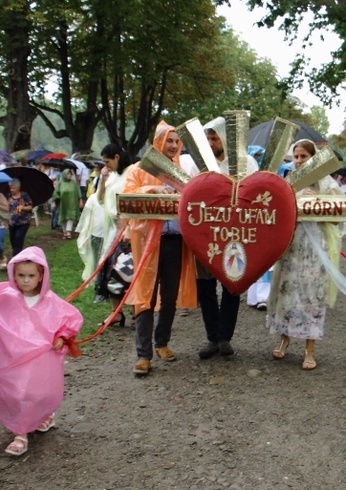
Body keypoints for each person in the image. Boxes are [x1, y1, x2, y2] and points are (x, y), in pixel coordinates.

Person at [0, 246, 83, 456]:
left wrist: (62, 335)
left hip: (39, 359)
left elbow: (71, 317)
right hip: (11, 356)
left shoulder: (49, 301)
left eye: (31, 276)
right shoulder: (6, 296)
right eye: (20, 275)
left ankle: (40, 418)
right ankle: (20, 431)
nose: (25, 280)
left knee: (37, 391)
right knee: (16, 391)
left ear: (41, 276)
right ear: (13, 274)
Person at [123, 121, 198, 376]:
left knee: (169, 296)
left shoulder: (182, 172)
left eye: (177, 141)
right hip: (146, 244)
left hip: (175, 243)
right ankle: (143, 355)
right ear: (158, 142)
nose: (174, 145)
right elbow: (127, 196)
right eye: (169, 140)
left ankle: (162, 343)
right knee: (145, 297)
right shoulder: (138, 169)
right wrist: (150, 188)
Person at [267, 139, 344, 370]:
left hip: (316, 248)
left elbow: (338, 217)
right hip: (291, 247)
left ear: (314, 158)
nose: (299, 161)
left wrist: (317, 202)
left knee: (312, 296)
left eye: (304, 156)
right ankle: (284, 338)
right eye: (296, 157)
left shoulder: (328, 184)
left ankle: (310, 348)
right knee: (287, 292)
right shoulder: (288, 183)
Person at [196, 116, 259, 359]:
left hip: (235, 234)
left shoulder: (247, 163)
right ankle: (212, 337)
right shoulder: (200, 163)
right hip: (205, 235)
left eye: (214, 138)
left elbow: (253, 194)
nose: (211, 143)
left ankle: (225, 337)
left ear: (224, 137)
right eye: (208, 139)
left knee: (232, 285)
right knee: (206, 286)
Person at [77, 144, 134, 314]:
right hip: (113, 227)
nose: (105, 165)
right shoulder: (112, 175)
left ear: (117, 157)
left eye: (107, 161)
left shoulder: (132, 172)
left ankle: (135, 308)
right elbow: (100, 198)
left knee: (128, 266)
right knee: (109, 265)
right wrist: (102, 179)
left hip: (129, 227)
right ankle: (116, 310)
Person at [6, 178, 33, 257]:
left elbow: (30, 206)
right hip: (12, 222)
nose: (12, 190)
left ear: (18, 188)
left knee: (18, 238)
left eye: (13, 188)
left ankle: (16, 258)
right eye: (10, 188)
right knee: (13, 240)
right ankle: (18, 255)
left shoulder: (24, 195)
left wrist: (23, 207)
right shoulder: (8, 196)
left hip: (23, 221)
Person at [52, 169, 82, 239]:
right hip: (63, 203)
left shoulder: (73, 183)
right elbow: (56, 192)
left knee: (71, 216)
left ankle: (68, 231)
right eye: (68, 174)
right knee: (63, 217)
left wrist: (80, 200)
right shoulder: (60, 183)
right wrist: (55, 201)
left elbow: (78, 191)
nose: (69, 175)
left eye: (70, 174)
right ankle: (65, 232)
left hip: (72, 203)